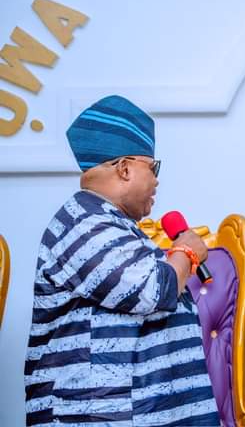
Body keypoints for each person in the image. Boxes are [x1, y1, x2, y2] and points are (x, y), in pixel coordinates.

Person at [24, 95, 219, 426]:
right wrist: (186, 251)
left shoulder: (109, 223)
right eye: (153, 168)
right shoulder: (84, 223)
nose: (156, 180)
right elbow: (153, 290)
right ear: (125, 168)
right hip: (96, 415)